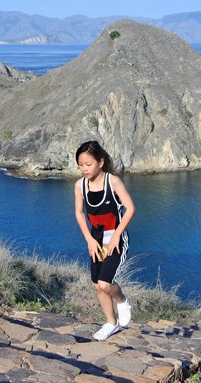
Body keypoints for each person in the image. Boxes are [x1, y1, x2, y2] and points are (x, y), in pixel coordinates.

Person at [73, 141, 136, 341]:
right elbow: (79, 213)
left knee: (105, 283)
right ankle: (111, 323)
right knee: (97, 286)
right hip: (96, 239)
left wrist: (118, 234)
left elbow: (130, 208)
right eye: (80, 165)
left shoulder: (113, 182)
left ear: (100, 162)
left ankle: (122, 300)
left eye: (88, 164)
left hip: (115, 238)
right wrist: (89, 240)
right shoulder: (80, 185)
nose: (84, 169)